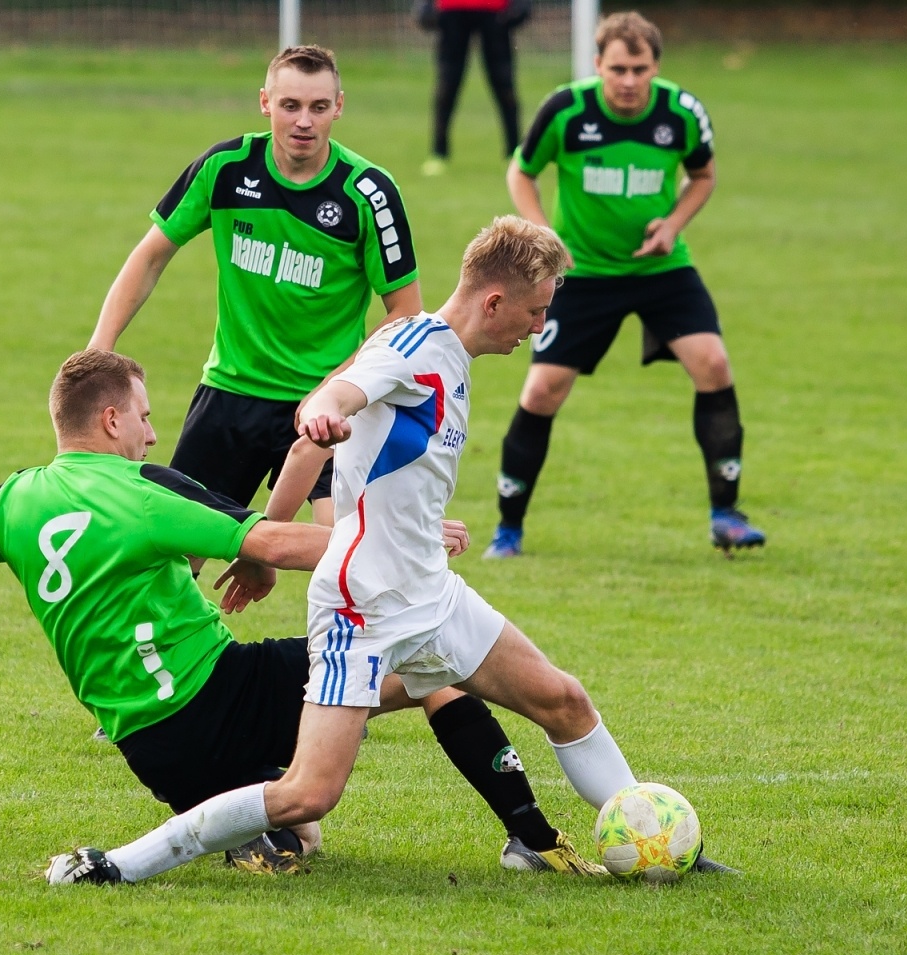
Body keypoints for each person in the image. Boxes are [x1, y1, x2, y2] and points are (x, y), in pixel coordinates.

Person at [50, 219, 736, 886]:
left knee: (564, 700)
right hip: (362, 608)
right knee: (307, 795)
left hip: (428, 592)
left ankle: (656, 843)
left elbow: (308, 455)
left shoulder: (454, 357)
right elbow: (337, 397)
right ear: (492, 301)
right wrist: (325, 405)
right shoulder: (409, 348)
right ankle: (117, 865)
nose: (538, 328)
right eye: (533, 312)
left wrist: (291, 521)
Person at [0, 348, 594, 877]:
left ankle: (252, 830)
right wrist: (400, 539)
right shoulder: (138, 491)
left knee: (302, 838)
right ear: (112, 418)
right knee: (433, 664)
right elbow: (271, 542)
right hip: (218, 692)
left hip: (152, 750)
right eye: (148, 418)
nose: (156, 437)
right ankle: (529, 836)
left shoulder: (8, 504)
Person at [89, 45, 421, 527]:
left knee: (337, 551)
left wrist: (334, 389)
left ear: (339, 107)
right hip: (232, 393)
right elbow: (150, 257)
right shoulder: (226, 169)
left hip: (325, 405)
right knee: (175, 555)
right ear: (265, 102)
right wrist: (99, 349)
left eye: (318, 107)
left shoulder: (368, 192)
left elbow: (405, 314)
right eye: (290, 106)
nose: (304, 121)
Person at [484, 11, 767, 559]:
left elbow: (703, 175)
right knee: (542, 391)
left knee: (714, 365)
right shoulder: (566, 110)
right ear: (598, 66)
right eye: (618, 68)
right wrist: (542, 232)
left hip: (660, 269)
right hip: (583, 274)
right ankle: (509, 528)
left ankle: (726, 515)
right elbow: (522, 170)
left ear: (655, 66)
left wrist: (673, 224)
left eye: (640, 68)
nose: (630, 80)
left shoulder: (681, 113)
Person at [422, 0, 524, 178]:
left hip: (495, 10)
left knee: (504, 85)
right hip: (451, 9)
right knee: (447, 85)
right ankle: (438, 153)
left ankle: (515, 152)